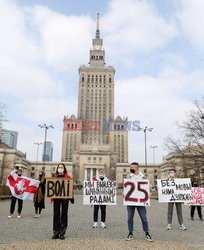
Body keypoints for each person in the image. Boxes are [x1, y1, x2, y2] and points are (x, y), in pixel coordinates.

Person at [125, 162, 153, 241]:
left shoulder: (143, 177)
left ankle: (147, 233)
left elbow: (149, 187)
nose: (131, 168)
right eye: (130, 167)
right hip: (130, 201)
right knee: (130, 218)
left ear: (137, 168)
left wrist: (150, 193)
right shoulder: (128, 176)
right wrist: (124, 193)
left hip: (140, 201)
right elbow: (125, 187)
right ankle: (130, 233)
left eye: (132, 167)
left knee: (143, 218)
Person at [52, 163, 74, 240]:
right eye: (59, 167)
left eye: (62, 167)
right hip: (56, 198)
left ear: (64, 168)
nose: (60, 168)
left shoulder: (68, 177)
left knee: (64, 215)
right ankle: (56, 232)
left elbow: (70, 187)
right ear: (57, 168)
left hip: (65, 198)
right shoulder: (54, 178)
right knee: (56, 214)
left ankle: (62, 233)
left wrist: (71, 197)